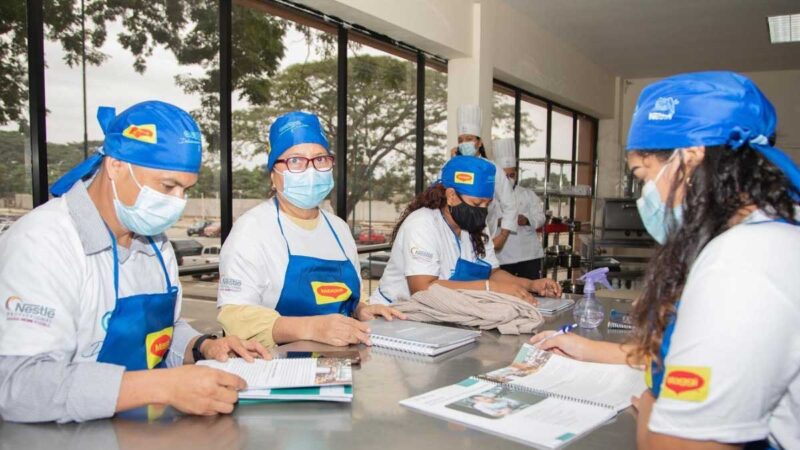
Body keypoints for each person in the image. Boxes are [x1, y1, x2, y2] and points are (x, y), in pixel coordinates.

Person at [529, 72, 800, 450]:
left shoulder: (741, 263)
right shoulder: (779, 232)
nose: (646, 196)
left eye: (644, 175)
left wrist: (652, 406)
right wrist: (589, 349)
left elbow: (678, 445)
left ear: (689, 159)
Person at [0, 101, 270, 423]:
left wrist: (202, 347)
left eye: (186, 189)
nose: (177, 202)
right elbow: (18, 384)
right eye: (168, 186)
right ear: (115, 166)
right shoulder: (43, 242)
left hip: (140, 430)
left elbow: (162, 333)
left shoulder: (155, 243)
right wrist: (162, 387)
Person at [216, 111, 404, 349]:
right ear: (273, 175)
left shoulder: (338, 228)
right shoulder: (252, 230)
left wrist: (362, 310)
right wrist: (311, 328)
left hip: (341, 359)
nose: (311, 170)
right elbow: (235, 317)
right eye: (295, 161)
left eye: (320, 159)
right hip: (276, 363)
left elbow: (347, 298)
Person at [370, 155, 561, 305]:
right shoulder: (422, 224)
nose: (482, 211)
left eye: (487, 204)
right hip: (396, 314)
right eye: (476, 203)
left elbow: (493, 272)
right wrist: (490, 288)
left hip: (442, 313)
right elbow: (422, 289)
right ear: (451, 196)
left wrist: (530, 284)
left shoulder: (476, 226)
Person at [451, 105, 518, 250]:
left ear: (479, 142)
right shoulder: (450, 166)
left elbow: (510, 204)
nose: (464, 143)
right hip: (453, 238)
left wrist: (502, 236)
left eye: (469, 139)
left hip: (484, 239)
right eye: (460, 140)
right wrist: (453, 162)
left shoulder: (493, 169)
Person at [488, 138, 546, 279]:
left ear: (516, 174)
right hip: (502, 256)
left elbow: (541, 217)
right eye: (505, 175)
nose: (509, 179)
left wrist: (527, 220)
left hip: (529, 254)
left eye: (512, 175)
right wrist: (498, 222)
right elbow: (484, 221)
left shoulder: (528, 194)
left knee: (532, 288)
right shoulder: (489, 196)